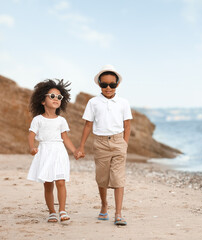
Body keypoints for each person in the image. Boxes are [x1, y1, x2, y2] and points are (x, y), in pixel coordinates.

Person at [76, 65, 132, 226]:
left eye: (112, 85)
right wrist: (81, 147)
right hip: (100, 143)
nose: (108, 88)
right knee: (102, 178)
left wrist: (124, 144)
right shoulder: (93, 102)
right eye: (104, 84)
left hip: (118, 142)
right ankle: (104, 205)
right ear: (99, 84)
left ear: (117, 85)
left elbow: (127, 125)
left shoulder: (123, 103)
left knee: (118, 178)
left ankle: (119, 213)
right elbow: (87, 125)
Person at [27, 79, 78, 223]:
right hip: (45, 151)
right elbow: (31, 135)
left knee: (61, 182)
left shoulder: (61, 120)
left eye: (59, 97)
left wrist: (74, 151)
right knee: (48, 184)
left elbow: (65, 138)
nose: (56, 99)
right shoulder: (38, 120)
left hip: (59, 152)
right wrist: (31, 148)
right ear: (42, 101)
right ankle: (52, 212)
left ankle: (62, 210)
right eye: (52, 96)